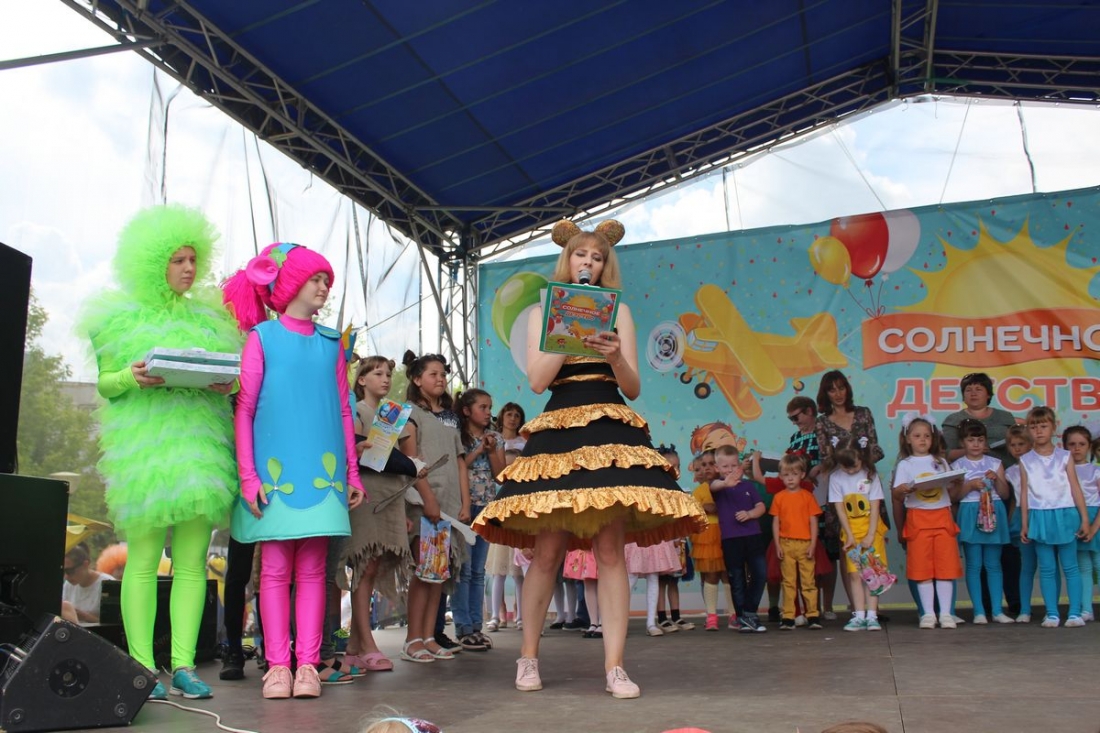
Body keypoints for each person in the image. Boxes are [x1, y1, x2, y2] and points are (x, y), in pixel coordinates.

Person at [473, 219, 705, 699]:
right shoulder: (542, 311)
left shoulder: (620, 313)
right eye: (581, 255)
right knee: (547, 552)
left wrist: (615, 355)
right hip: (560, 427)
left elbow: (633, 386)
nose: (588, 263)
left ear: (605, 266)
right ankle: (528, 656)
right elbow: (538, 381)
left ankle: (615, 666)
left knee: (610, 551)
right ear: (568, 259)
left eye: (597, 257)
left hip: (610, 424)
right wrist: (567, 333)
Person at [76, 204, 243, 700]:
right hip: (145, 451)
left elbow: (235, 378)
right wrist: (131, 376)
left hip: (199, 450)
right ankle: (142, 668)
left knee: (192, 563)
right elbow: (106, 384)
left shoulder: (212, 320)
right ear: (153, 263)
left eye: (193, 259)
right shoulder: (115, 318)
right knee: (144, 561)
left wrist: (227, 384)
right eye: (177, 260)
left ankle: (185, 666)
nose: (189, 268)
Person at [222, 242, 366, 699]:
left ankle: (307, 665)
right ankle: (277, 666)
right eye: (315, 279)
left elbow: (343, 410)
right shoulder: (262, 338)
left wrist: (352, 474)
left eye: (326, 280)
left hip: (322, 473)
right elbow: (244, 409)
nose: (323, 287)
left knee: (313, 571)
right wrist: (249, 476)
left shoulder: (331, 344)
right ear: (290, 284)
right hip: (274, 473)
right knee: (274, 570)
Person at [341, 356, 417, 675]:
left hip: (390, 495)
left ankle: (354, 647)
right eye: (377, 373)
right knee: (364, 565)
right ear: (361, 380)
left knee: (373, 567)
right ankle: (367, 644)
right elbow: (357, 455)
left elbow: (395, 459)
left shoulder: (392, 416)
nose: (385, 379)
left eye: (388, 374)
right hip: (366, 494)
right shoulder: (356, 411)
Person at [399, 352, 470, 663]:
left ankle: (429, 636)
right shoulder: (409, 412)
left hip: (450, 507)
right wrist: (428, 498)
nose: (440, 379)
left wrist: (465, 502)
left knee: (437, 573)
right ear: (417, 379)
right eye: (433, 374)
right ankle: (412, 639)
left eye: (443, 374)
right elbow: (411, 459)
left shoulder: (451, 417)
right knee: (424, 571)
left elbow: (460, 462)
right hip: (425, 502)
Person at [814, 373, 880, 619]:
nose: (838, 393)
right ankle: (856, 607)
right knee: (847, 548)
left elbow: (875, 447)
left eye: (841, 388)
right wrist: (838, 464)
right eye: (832, 390)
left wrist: (860, 463)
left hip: (865, 484)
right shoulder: (822, 422)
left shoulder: (863, 413)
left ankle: (873, 608)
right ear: (825, 394)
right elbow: (825, 456)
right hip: (840, 489)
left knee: (872, 545)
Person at [1018, 406, 1089, 628]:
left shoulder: (1065, 456)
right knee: (1047, 568)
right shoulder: (1025, 460)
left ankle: (1075, 612)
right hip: (1039, 517)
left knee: (1070, 567)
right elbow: (1024, 493)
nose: (1039, 431)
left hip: (1065, 514)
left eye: (1043, 426)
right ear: (1028, 430)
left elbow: (1075, 487)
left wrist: (1084, 519)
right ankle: (1051, 613)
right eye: (1034, 426)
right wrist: (1024, 523)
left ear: (1053, 428)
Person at [891, 413, 962, 629]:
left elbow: (952, 491)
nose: (922, 440)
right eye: (917, 436)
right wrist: (903, 489)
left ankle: (946, 614)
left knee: (945, 567)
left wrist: (958, 481)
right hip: (918, 519)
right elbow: (896, 494)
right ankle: (928, 614)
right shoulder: (905, 464)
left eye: (927, 436)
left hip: (942, 517)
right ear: (907, 438)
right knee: (922, 569)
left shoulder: (940, 462)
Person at [452, 388, 505, 650]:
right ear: (466, 410)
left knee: (478, 570)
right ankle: (462, 626)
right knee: (463, 568)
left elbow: (500, 475)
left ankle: (476, 626)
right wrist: (478, 450)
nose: (488, 413)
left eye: (489, 407)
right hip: (463, 506)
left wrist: (492, 450)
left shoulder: (496, 437)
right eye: (482, 407)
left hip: (486, 507)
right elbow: (458, 467)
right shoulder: (457, 435)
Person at [949, 419, 1013, 623]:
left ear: (985, 442)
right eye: (971, 440)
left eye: (980, 440)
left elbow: (1005, 494)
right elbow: (953, 497)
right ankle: (978, 611)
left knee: (993, 564)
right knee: (974, 564)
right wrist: (969, 485)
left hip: (994, 511)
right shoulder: (957, 466)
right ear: (963, 442)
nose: (976, 444)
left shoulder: (995, 463)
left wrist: (997, 479)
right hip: (970, 512)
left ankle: (997, 611)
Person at [827, 436, 887, 631]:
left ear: (861, 457)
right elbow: (840, 509)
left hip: (871, 531)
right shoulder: (836, 478)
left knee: (872, 574)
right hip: (851, 532)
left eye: (853, 466)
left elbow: (875, 506)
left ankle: (872, 616)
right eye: (845, 467)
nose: (850, 471)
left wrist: (870, 535)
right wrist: (849, 535)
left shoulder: (870, 475)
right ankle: (859, 615)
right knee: (854, 574)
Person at [710, 445, 768, 633]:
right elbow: (714, 485)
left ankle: (748, 613)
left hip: (753, 536)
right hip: (731, 540)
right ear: (717, 468)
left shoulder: (748, 486)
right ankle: (744, 619)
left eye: (733, 465)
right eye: (725, 466)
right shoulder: (718, 486)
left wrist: (750, 514)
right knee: (737, 579)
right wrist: (725, 483)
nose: (730, 470)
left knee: (760, 574)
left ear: (739, 465)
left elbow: (761, 507)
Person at [769, 453, 822, 630]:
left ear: (802, 475)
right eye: (786, 475)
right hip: (786, 544)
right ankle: (788, 616)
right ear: (780, 476)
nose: (790, 478)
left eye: (794, 474)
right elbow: (776, 522)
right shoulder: (779, 497)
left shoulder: (807, 496)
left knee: (808, 581)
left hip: (805, 544)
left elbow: (813, 521)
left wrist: (813, 544)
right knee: (788, 582)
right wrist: (777, 544)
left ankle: (812, 614)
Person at [655, 444, 695, 632]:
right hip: (662, 542)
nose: (676, 470)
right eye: (671, 467)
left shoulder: (680, 491)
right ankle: (662, 617)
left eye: (678, 466)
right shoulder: (656, 492)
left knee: (674, 581)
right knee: (661, 580)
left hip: (678, 542)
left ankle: (676, 616)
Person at [941, 373, 1018, 465]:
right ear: (963, 396)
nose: (973, 394)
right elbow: (947, 453)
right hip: (968, 471)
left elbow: (1018, 443)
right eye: (968, 390)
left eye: (978, 389)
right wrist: (970, 450)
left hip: (1006, 470)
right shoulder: (953, 420)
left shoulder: (1005, 416)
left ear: (988, 394)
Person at [1004, 425, 1038, 623]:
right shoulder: (1010, 471)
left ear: (1030, 444)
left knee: (1048, 564)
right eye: (1013, 445)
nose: (1017, 448)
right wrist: (1010, 520)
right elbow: (1014, 500)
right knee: (1025, 565)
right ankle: (1024, 608)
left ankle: (1052, 607)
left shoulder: (1039, 466)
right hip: (1020, 515)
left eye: (1021, 444)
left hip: (1040, 513)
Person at [1078, 430, 1100, 621]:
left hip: (1096, 520)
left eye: (1082, 444)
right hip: (1076, 520)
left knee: (1099, 564)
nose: (1077, 449)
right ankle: (1086, 609)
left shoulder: (1096, 471)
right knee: (1083, 567)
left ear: (1089, 447)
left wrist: (1094, 527)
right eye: (1072, 445)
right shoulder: (1064, 470)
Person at [61, 544, 113, 624]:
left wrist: (85, 617)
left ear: (85, 564)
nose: (66, 577)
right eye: (63, 572)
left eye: (70, 571)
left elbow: (113, 624)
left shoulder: (108, 584)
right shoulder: (68, 585)